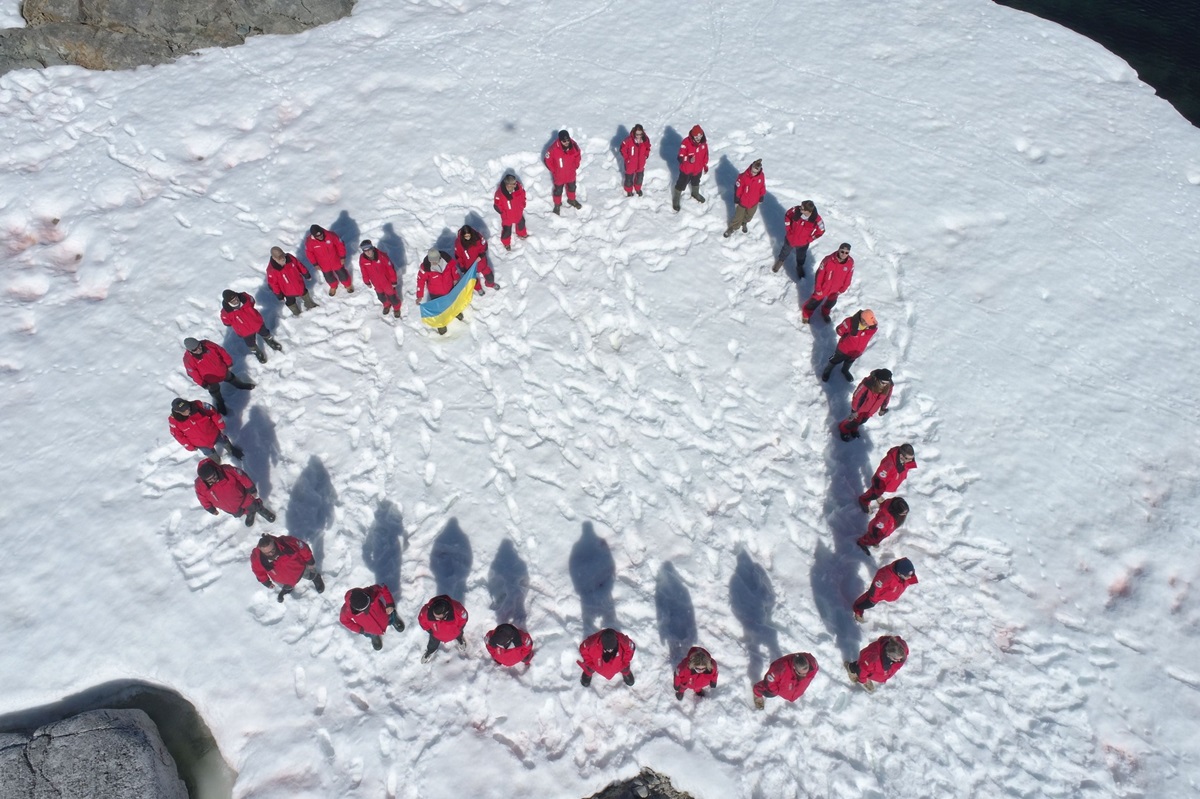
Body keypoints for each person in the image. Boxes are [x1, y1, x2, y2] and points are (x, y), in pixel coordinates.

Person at [182, 337, 254, 414]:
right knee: (215, 392)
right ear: (190, 351)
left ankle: (241, 385)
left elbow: (221, 351)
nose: (199, 349)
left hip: (222, 370)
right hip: (210, 379)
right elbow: (193, 374)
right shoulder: (188, 360)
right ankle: (220, 403)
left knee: (231, 378)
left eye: (199, 346)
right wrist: (203, 383)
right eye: (195, 350)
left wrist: (229, 363)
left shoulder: (207, 344)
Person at [194, 458, 275, 525]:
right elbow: (202, 498)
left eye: (214, 476)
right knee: (239, 513)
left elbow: (242, 476)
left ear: (215, 470)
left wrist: (251, 488)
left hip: (242, 497)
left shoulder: (226, 470)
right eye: (209, 480)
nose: (213, 480)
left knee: (253, 505)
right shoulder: (200, 486)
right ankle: (250, 513)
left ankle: (260, 509)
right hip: (229, 507)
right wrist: (210, 509)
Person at [250, 534, 325, 603]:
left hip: (300, 569)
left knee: (310, 574)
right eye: (267, 553)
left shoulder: (286, 542)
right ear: (260, 549)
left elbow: (303, 548)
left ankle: (316, 577)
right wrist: (266, 582)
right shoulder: (257, 558)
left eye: (273, 550)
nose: (271, 554)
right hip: (282, 579)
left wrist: (310, 561)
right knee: (287, 586)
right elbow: (258, 571)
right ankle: (288, 588)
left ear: (273, 542)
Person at [169, 397, 243, 462]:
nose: (187, 410)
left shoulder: (198, 405)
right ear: (177, 412)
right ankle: (217, 462)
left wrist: (221, 426)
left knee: (225, 442)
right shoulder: (174, 421)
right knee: (210, 454)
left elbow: (214, 412)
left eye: (187, 407)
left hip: (214, 433)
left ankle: (232, 451)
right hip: (200, 443)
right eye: (184, 411)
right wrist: (189, 446)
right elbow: (177, 435)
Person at [220, 290, 282, 364]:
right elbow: (227, 322)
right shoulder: (226, 313)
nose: (236, 301)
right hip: (245, 331)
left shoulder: (245, 298)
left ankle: (270, 341)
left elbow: (252, 301)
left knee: (265, 333)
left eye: (236, 298)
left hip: (257, 323)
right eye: (232, 301)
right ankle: (257, 352)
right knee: (250, 343)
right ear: (228, 303)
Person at [340, 585, 405, 651]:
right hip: (369, 628)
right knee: (371, 632)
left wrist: (389, 604)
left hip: (384, 615)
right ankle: (374, 635)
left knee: (390, 618)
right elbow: (344, 620)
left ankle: (393, 619)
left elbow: (382, 588)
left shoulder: (370, 592)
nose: (368, 609)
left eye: (369, 604)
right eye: (365, 609)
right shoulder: (347, 610)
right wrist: (359, 629)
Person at [415, 249, 464, 335]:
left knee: (452, 302)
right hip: (436, 293)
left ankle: (455, 312)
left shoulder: (446, 260)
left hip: (449, 288)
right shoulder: (425, 268)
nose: (434, 263)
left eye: (436, 260)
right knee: (439, 309)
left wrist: (456, 278)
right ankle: (441, 324)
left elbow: (453, 268)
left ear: (439, 257)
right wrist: (419, 295)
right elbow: (420, 281)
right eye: (432, 261)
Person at [803, 244, 855, 323]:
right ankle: (806, 314)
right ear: (838, 250)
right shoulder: (828, 260)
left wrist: (843, 288)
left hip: (836, 289)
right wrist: (818, 288)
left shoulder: (850, 263)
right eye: (842, 251)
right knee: (814, 301)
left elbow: (849, 277)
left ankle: (825, 312)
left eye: (846, 253)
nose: (844, 254)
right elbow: (819, 274)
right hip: (824, 287)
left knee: (831, 303)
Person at [853, 558, 918, 622]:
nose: (910, 577)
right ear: (899, 574)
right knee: (868, 602)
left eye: (912, 573)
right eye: (907, 576)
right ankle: (858, 609)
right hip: (882, 594)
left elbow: (910, 574)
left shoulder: (905, 571)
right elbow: (874, 589)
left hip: (893, 592)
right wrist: (872, 601)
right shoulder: (885, 576)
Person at [822, 309, 877, 383]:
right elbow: (839, 331)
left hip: (857, 351)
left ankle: (845, 370)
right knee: (835, 359)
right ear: (862, 320)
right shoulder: (850, 322)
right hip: (843, 349)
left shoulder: (872, 327)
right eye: (867, 323)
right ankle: (828, 370)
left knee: (850, 361)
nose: (869, 325)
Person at [838, 368, 894, 441]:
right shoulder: (868, 383)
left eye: (887, 383)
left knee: (862, 421)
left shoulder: (889, 386)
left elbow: (887, 397)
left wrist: (883, 408)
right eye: (883, 382)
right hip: (860, 409)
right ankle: (843, 429)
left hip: (871, 410)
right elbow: (857, 396)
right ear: (878, 379)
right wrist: (854, 410)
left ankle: (854, 429)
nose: (885, 385)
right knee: (853, 421)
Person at [772, 200, 825, 276]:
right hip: (790, 239)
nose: (800, 208)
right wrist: (788, 228)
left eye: (802, 208)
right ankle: (780, 260)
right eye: (801, 206)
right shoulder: (795, 210)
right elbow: (787, 215)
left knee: (801, 256)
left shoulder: (817, 220)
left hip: (803, 243)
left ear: (808, 211)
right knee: (785, 251)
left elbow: (821, 231)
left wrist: (810, 239)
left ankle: (799, 266)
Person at [859, 444, 917, 511]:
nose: (911, 460)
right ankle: (864, 500)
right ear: (901, 456)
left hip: (892, 482)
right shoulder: (889, 464)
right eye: (908, 458)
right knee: (874, 492)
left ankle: (878, 496)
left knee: (878, 493)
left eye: (912, 458)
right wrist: (878, 490)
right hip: (883, 484)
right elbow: (879, 478)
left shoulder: (905, 460)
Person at [752, 652, 818, 709]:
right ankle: (757, 692)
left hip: (795, 689)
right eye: (802, 673)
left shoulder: (812, 664)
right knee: (769, 693)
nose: (805, 675)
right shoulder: (779, 669)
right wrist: (775, 691)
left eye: (806, 672)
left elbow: (814, 669)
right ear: (794, 668)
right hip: (784, 685)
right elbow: (769, 683)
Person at [265, 247, 316, 316]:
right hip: (287, 291)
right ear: (274, 258)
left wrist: (306, 274)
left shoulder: (290, 258)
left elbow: (299, 265)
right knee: (290, 301)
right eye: (280, 258)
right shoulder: (272, 271)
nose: (283, 259)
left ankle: (309, 304)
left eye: (283, 256)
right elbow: (273, 284)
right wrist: (279, 295)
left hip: (299, 284)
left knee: (304, 293)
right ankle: (296, 312)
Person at [418, 595, 469, 663]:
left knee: (459, 635)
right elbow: (421, 621)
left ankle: (460, 640)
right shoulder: (426, 612)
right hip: (436, 635)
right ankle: (430, 651)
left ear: (446, 614)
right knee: (432, 644)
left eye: (438, 618)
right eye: (434, 615)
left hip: (455, 633)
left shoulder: (457, 609)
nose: (435, 618)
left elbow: (464, 618)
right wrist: (430, 631)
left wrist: (459, 629)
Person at [304, 224, 352, 295]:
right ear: (314, 236)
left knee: (342, 273)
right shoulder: (309, 242)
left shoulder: (331, 235)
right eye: (318, 236)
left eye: (321, 234)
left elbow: (340, 245)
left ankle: (347, 284)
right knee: (328, 277)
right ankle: (333, 286)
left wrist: (342, 257)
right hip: (323, 264)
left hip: (336, 260)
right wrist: (315, 264)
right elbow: (309, 254)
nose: (320, 237)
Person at [358, 239, 401, 318]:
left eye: (369, 249)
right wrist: (366, 281)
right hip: (376, 283)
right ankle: (386, 305)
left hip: (387, 282)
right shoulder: (362, 259)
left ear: (372, 248)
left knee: (392, 297)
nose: (368, 252)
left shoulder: (382, 256)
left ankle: (396, 308)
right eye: (365, 251)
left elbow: (390, 269)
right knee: (381, 297)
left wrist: (394, 281)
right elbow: (363, 271)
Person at [724, 159, 766, 237]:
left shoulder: (761, 176)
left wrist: (761, 196)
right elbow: (738, 188)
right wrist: (736, 200)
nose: (753, 173)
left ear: (759, 170)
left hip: (754, 201)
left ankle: (744, 222)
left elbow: (762, 186)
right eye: (752, 171)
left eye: (755, 172)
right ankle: (733, 227)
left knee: (749, 215)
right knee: (738, 216)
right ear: (751, 167)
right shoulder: (743, 176)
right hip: (742, 201)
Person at [545, 129, 582, 215]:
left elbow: (578, 155)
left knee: (572, 187)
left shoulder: (574, 145)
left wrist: (576, 165)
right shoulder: (553, 149)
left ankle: (571, 200)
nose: (566, 142)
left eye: (568, 140)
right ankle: (557, 205)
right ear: (560, 140)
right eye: (564, 141)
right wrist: (554, 170)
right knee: (558, 191)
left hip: (571, 174)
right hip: (559, 176)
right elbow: (547, 160)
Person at [673, 124, 709, 211]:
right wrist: (688, 159)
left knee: (696, 181)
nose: (699, 138)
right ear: (693, 136)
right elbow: (680, 157)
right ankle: (676, 198)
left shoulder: (703, 144)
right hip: (686, 170)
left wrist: (705, 165)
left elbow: (705, 155)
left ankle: (695, 193)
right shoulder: (685, 143)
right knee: (681, 184)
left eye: (700, 136)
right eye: (696, 137)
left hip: (698, 169)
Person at [454, 226, 496, 291]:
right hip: (469, 266)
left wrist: (481, 255)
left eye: (469, 236)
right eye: (465, 236)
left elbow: (484, 246)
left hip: (481, 263)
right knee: (473, 280)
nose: (467, 238)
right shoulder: (459, 243)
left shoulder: (478, 237)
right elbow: (458, 256)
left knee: (490, 277)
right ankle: (478, 288)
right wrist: (462, 267)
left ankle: (490, 284)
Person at [493, 174, 529, 250]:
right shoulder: (500, 193)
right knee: (507, 230)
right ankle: (506, 243)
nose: (513, 186)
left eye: (514, 184)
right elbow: (497, 205)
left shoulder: (519, 188)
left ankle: (521, 234)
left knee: (521, 223)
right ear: (506, 184)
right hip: (507, 216)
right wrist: (503, 212)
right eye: (510, 185)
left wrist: (523, 204)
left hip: (518, 212)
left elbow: (523, 195)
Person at [619, 124, 652, 197]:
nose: (639, 136)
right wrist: (627, 158)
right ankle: (629, 190)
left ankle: (638, 188)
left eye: (640, 134)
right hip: (630, 163)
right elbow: (622, 149)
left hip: (641, 163)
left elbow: (648, 148)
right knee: (629, 178)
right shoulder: (629, 140)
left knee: (639, 177)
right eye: (637, 134)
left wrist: (646, 155)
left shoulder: (645, 140)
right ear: (634, 133)